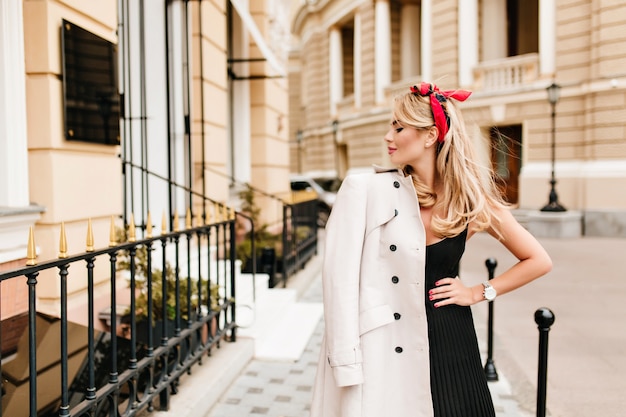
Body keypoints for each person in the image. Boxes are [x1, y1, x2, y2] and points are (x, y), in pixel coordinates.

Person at [309, 82, 553, 417]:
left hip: (452, 340)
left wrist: (479, 292)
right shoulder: (366, 191)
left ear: (430, 135)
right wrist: (345, 361)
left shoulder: (471, 203)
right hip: (386, 346)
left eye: (399, 127)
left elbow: (538, 260)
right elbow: (339, 285)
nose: (387, 137)